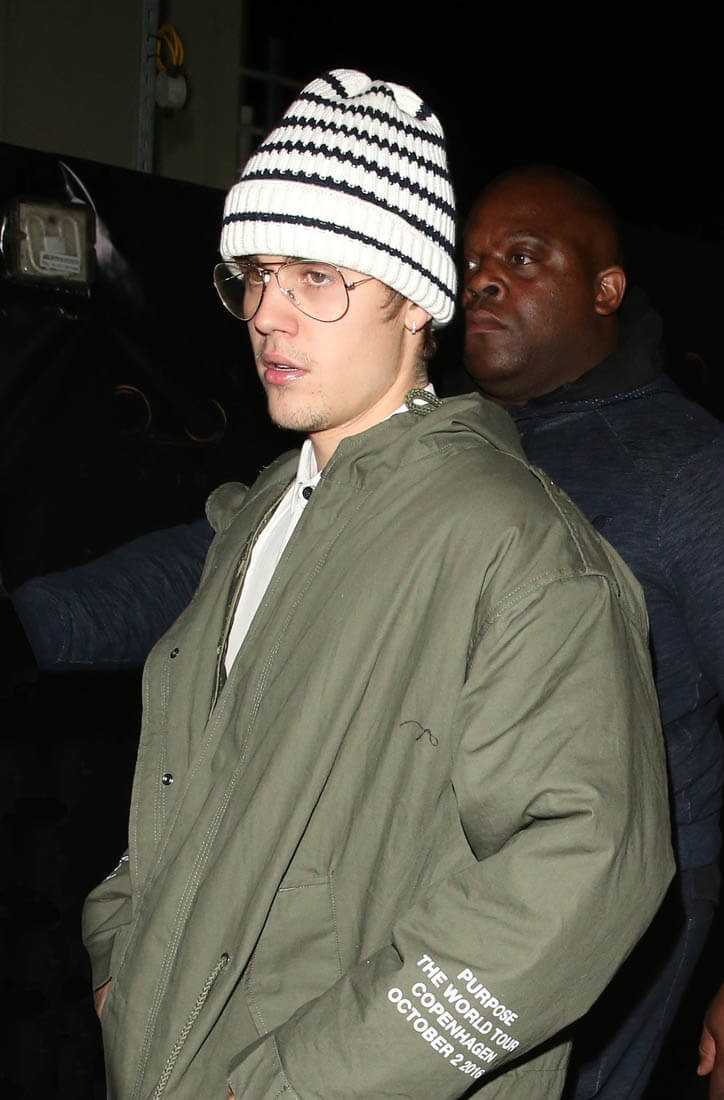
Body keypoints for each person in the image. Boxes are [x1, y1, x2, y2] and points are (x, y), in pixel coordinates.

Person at [81, 75, 673, 1100]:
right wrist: (118, 950)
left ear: (417, 299)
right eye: (256, 273)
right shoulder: (266, 515)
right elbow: (187, 773)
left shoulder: (517, 546)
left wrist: (312, 1077)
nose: (267, 313)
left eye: (316, 276)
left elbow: (589, 863)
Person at [462, 163, 724, 1100]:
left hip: (632, 889)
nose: (483, 281)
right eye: (471, 262)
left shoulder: (686, 468)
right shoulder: (445, 442)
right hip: (455, 869)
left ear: (606, 289)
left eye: (522, 257)